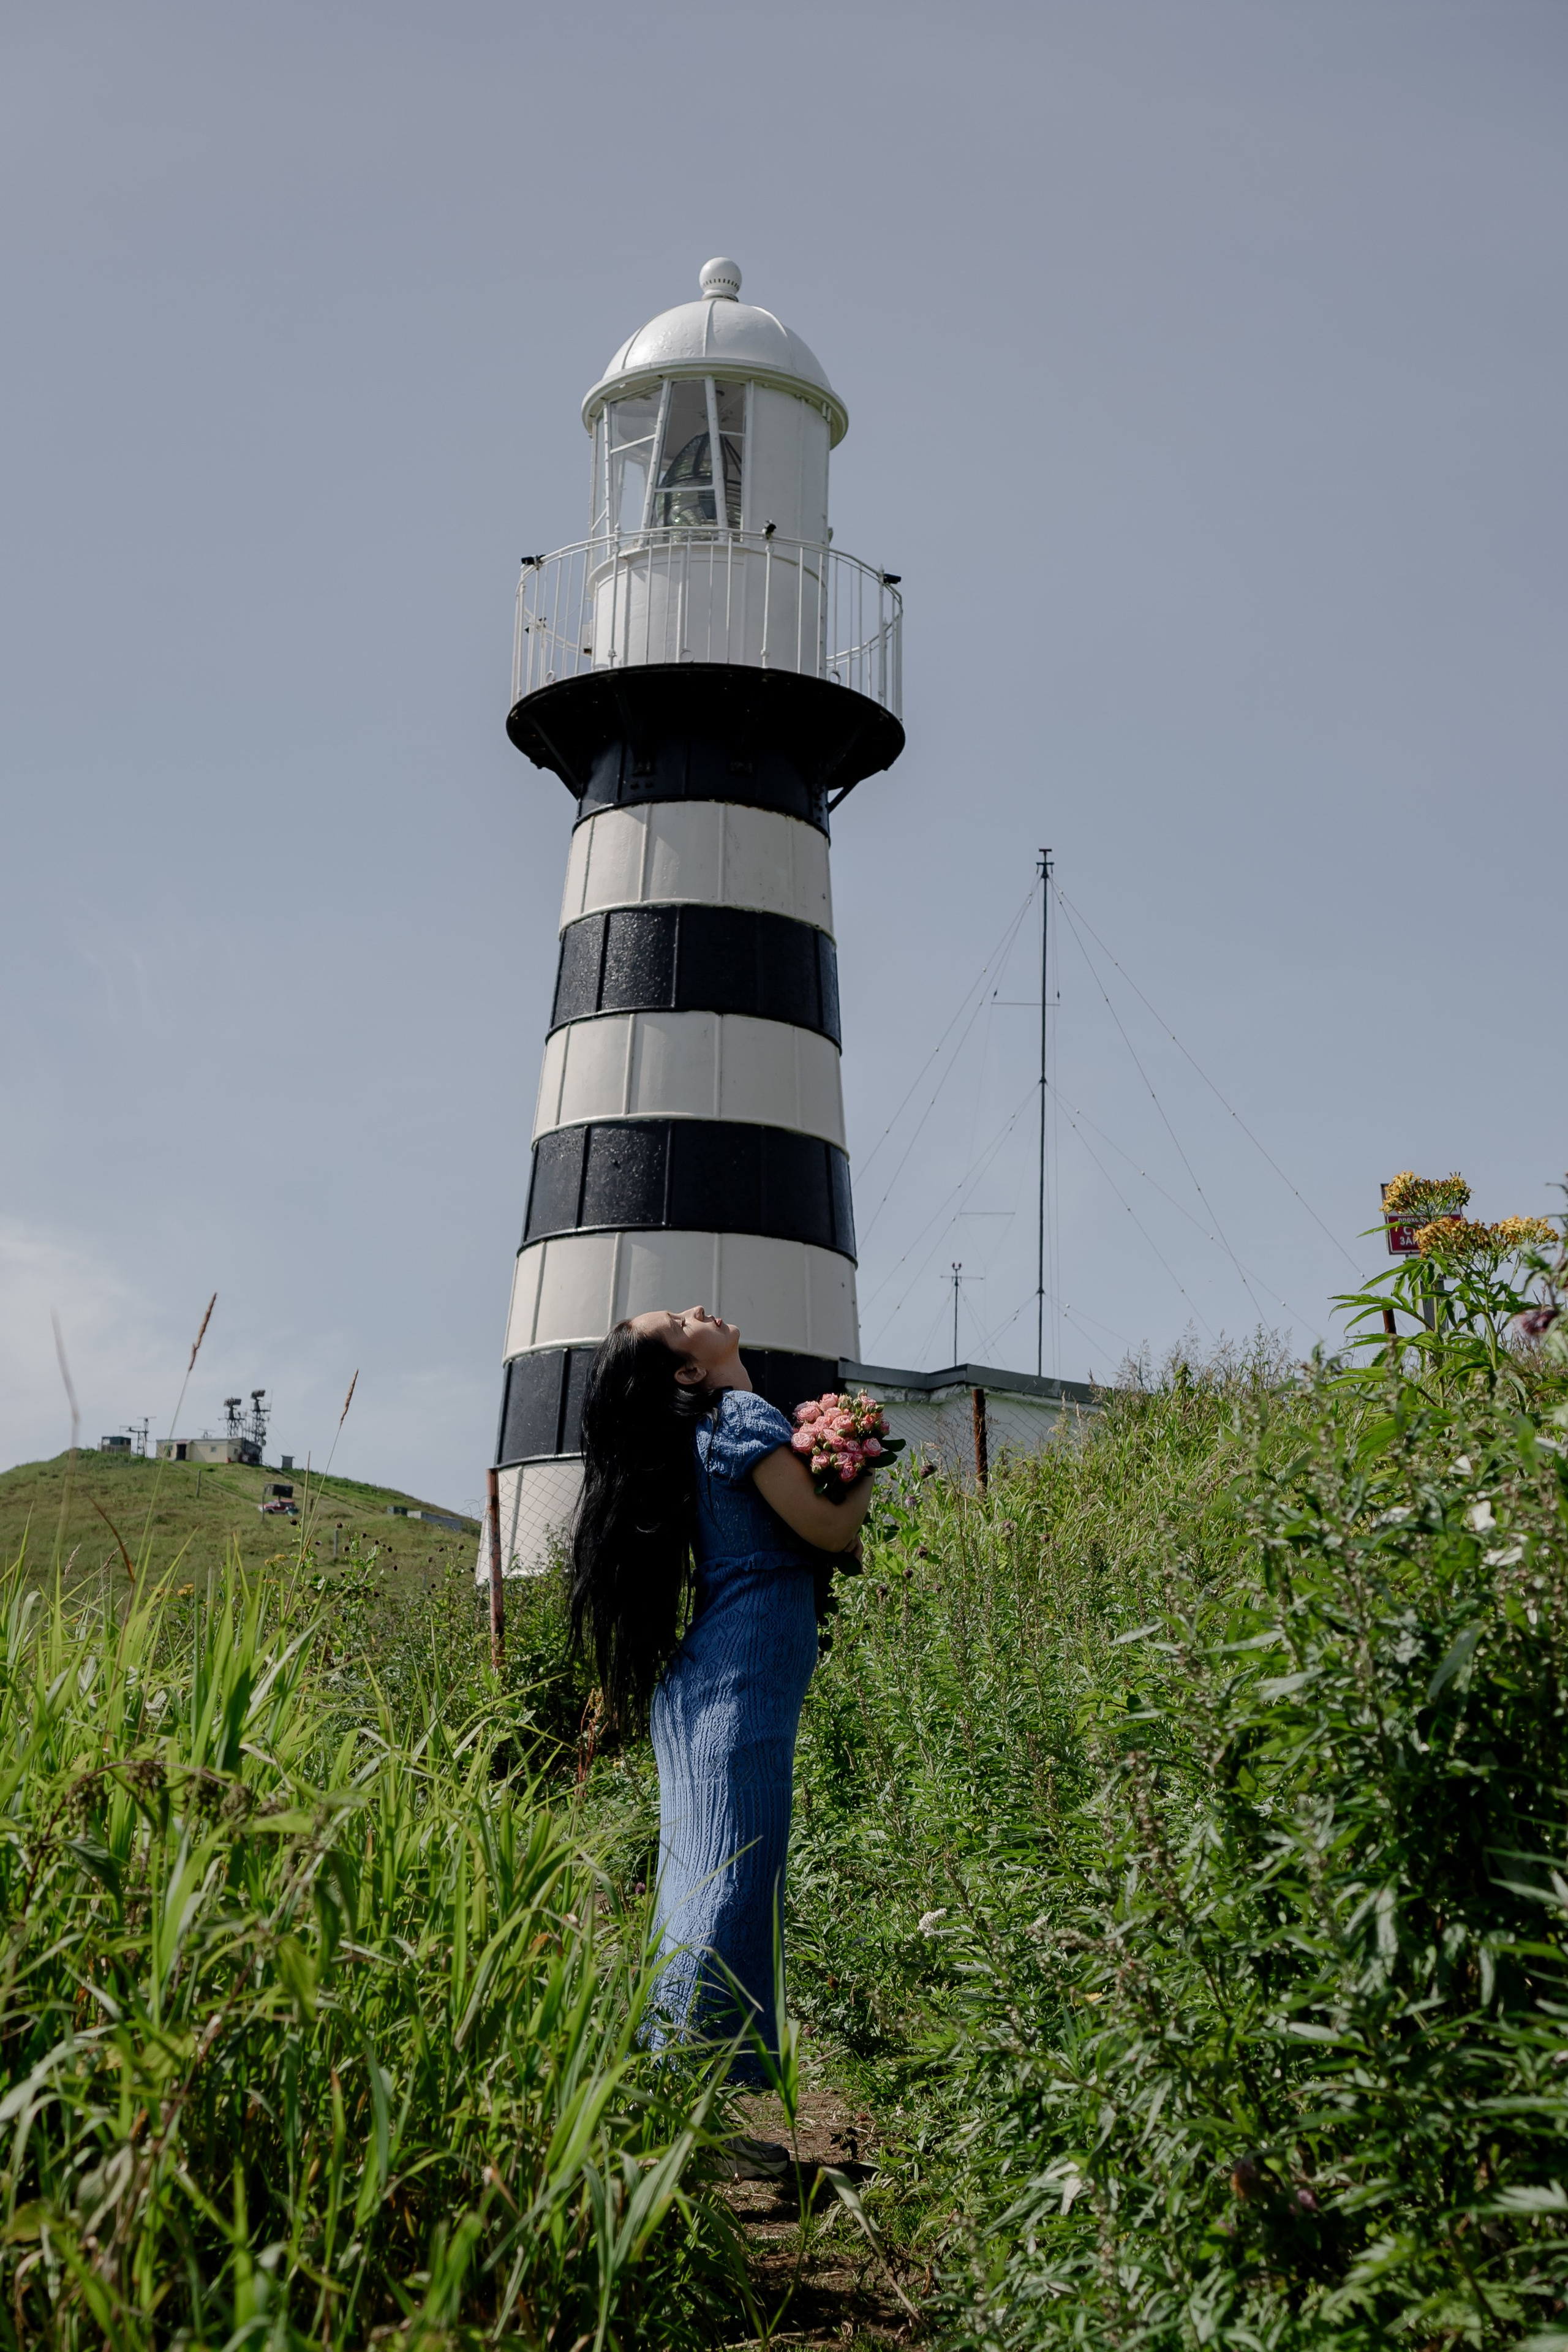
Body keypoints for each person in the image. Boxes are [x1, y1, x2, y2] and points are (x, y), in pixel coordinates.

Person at [569, 1303, 872, 2102]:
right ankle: (707, 2111)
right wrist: (861, 1452)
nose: (698, 1308)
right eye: (678, 1320)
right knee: (733, 1890)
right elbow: (828, 1530)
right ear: (689, 1371)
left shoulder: (712, 1427)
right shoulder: (737, 1415)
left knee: (701, 1890)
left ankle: (678, 2097)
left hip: (713, 1686)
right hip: (736, 1684)